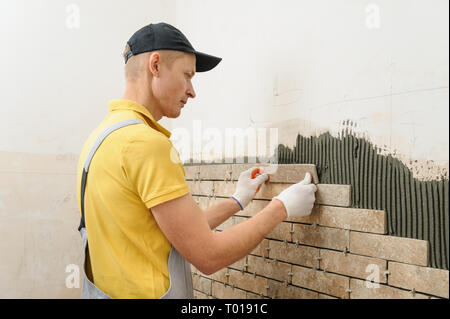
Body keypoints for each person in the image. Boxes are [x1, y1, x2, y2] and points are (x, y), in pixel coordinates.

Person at [76, 22, 317, 299]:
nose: (192, 91)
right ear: (155, 66)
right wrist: (281, 208)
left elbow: (173, 231)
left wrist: (237, 201)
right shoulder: (145, 144)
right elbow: (208, 255)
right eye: (187, 75)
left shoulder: (98, 140)